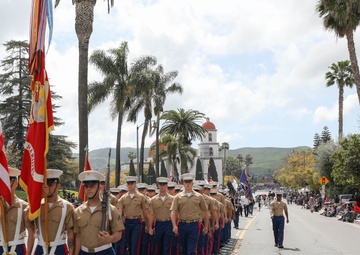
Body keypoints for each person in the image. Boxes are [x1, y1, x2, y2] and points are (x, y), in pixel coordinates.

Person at [74, 170, 124, 255]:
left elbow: (118, 233)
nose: (88, 189)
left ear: (99, 187)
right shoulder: (78, 211)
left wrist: (110, 239)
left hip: (104, 252)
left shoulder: (111, 209)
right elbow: (78, 236)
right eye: (86, 186)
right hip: (84, 252)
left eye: (92, 186)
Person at [31, 169, 75, 255]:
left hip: (59, 249)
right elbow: (27, 218)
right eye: (45, 184)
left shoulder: (67, 206)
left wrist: (71, 252)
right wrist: (39, 198)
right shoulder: (37, 205)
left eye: (50, 184)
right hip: (40, 249)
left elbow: (71, 233)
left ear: (58, 186)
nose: (47, 187)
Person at [170, 173, 209, 255]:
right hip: (182, 224)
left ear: (192, 184)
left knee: (191, 250)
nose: (187, 184)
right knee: (182, 249)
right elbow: (173, 212)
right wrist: (174, 225)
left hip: (194, 224)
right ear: (183, 183)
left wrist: (206, 226)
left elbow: (205, 212)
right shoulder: (178, 197)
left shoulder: (199, 196)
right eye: (186, 182)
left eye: (189, 182)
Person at [0, 167, 35, 255]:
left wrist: (28, 253)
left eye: (8, 181)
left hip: (18, 249)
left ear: (15, 183)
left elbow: (31, 233)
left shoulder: (24, 206)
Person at [118, 176, 151, 255]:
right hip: (127, 222)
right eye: (128, 183)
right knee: (129, 244)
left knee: (135, 244)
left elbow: (145, 212)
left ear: (135, 184)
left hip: (137, 222)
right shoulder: (123, 198)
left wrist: (148, 225)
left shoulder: (141, 197)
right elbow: (119, 212)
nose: (130, 185)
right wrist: (118, 225)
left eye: (132, 183)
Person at [148, 177, 174, 255]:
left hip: (168, 223)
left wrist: (175, 225)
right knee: (159, 246)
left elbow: (175, 213)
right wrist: (150, 227)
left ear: (167, 186)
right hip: (159, 223)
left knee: (166, 247)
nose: (162, 187)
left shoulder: (172, 199)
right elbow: (151, 214)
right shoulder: (153, 200)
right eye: (160, 185)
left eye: (164, 184)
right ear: (158, 186)